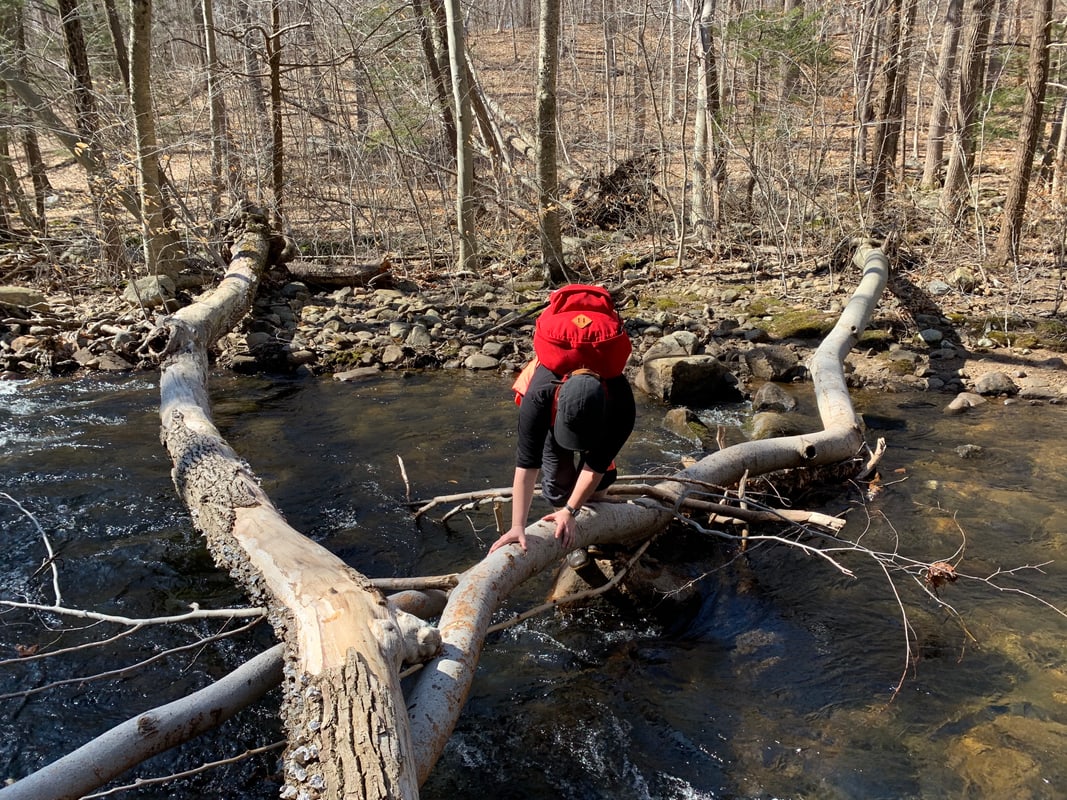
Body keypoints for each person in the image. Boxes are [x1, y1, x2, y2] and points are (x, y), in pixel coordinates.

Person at [489, 363, 636, 553]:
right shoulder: (536, 400)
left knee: (602, 479)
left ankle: (589, 522)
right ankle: (565, 533)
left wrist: (571, 510)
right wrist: (517, 526)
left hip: (601, 412)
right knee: (557, 477)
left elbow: (596, 465)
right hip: (550, 409)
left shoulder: (621, 407)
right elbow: (527, 463)